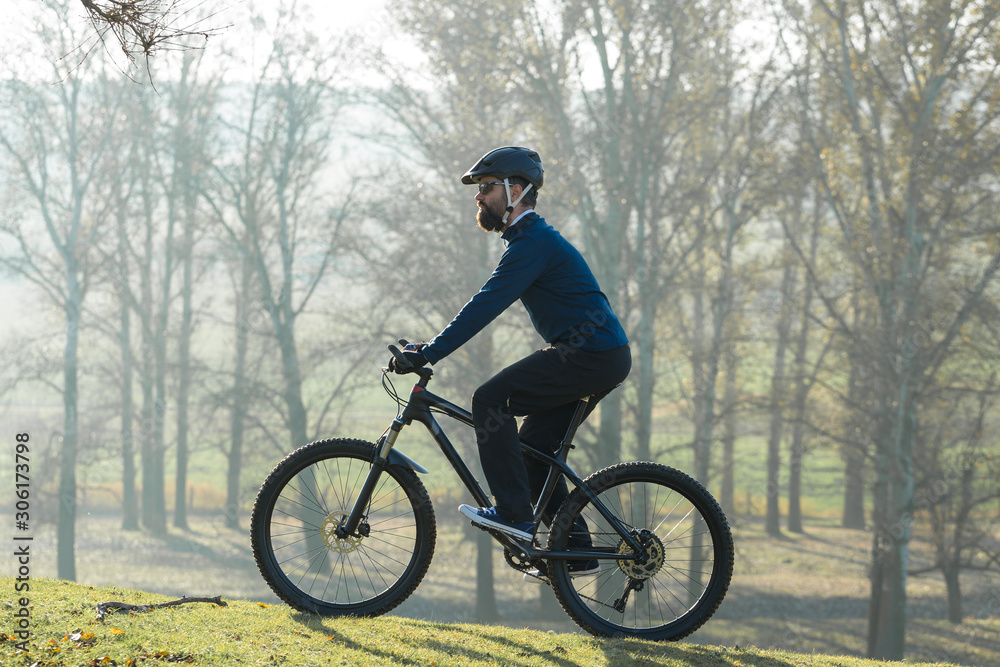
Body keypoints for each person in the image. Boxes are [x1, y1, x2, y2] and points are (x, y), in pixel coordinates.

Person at [390, 146, 630, 576]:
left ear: (515, 190)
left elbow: (485, 305)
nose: (478, 198)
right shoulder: (527, 242)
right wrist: (429, 349)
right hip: (594, 354)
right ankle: (576, 552)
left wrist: (428, 353)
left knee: (489, 400)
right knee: (533, 450)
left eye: (486, 188)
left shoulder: (532, 244)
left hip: (592, 354)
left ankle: (515, 515)